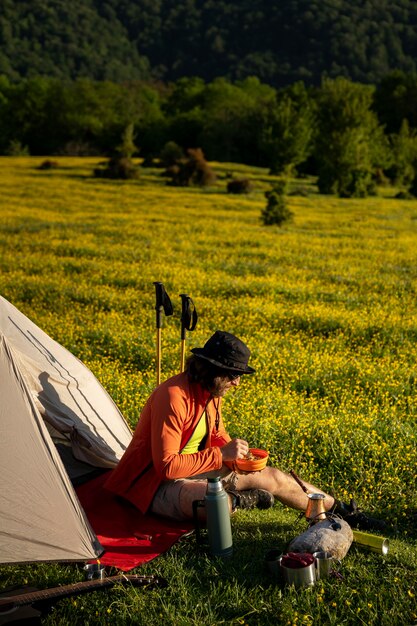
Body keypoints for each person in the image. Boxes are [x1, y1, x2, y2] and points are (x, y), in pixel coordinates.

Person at [105, 330, 386, 531]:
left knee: (274, 477)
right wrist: (221, 455)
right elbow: (166, 467)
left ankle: (341, 511)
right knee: (216, 505)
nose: (237, 383)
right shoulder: (173, 396)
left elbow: (216, 437)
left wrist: (238, 458)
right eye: (234, 375)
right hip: (152, 485)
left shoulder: (210, 393)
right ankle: (239, 500)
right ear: (214, 370)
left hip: (195, 470)